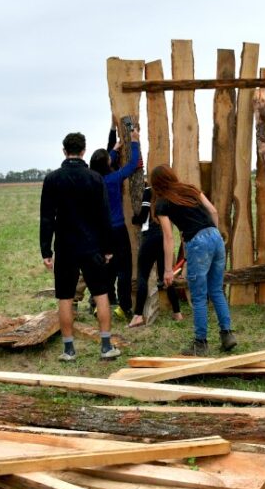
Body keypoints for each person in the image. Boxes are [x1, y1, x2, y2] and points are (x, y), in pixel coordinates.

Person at [40, 132, 121, 361]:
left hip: (65, 247)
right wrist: (107, 248)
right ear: (83, 151)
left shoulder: (52, 179)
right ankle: (106, 346)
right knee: (101, 293)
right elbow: (104, 216)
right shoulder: (95, 178)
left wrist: (46, 251)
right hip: (92, 245)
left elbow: (47, 217)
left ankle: (68, 350)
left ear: (64, 151)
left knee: (65, 296)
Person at [151, 164, 237, 355]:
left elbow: (168, 237)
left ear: (156, 184)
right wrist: (211, 233)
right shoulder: (191, 190)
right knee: (216, 290)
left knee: (198, 296)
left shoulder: (162, 203)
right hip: (215, 237)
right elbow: (213, 211)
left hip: (197, 242)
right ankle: (227, 334)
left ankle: (201, 343)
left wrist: (167, 270)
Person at [89, 127, 141, 320]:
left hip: (99, 232)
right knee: (124, 269)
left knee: (104, 268)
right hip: (118, 230)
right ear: (106, 163)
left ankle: (99, 304)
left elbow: (102, 162)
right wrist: (134, 141)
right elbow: (133, 164)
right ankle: (124, 306)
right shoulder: (114, 178)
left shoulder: (92, 178)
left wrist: (113, 150)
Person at [128, 184, 183, 328]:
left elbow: (144, 214)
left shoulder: (148, 190)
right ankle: (177, 313)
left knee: (142, 276)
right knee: (166, 275)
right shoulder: (167, 193)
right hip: (163, 237)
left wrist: (135, 219)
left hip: (150, 237)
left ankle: (138, 315)